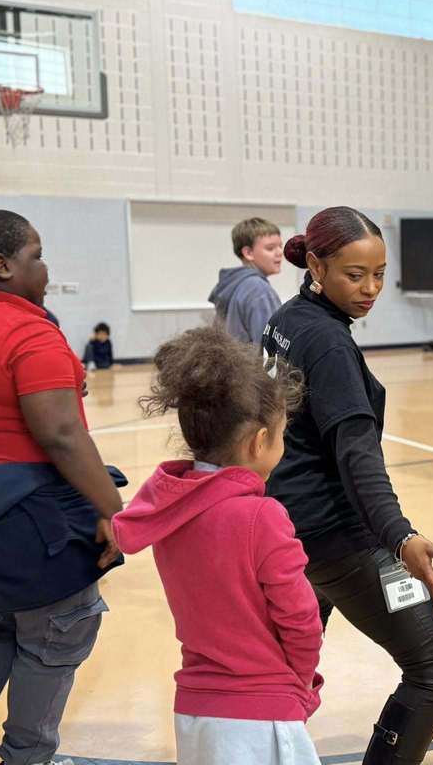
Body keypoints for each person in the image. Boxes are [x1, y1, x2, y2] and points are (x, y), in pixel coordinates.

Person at [262, 206, 433, 764]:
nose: (371, 288)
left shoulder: (286, 319)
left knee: (288, 668)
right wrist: (401, 537)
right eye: (356, 274)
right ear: (318, 266)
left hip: (290, 530)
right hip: (335, 538)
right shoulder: (327, 343)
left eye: (379, 274)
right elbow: (358, 458)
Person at [0, 208, 124, 765]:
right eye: (37, 254)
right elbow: (60, 435)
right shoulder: (30, 332)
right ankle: (29, 755)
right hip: (34, 523)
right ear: (3, 265)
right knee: (58, 637)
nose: (46, 266)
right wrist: (111, 506)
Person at [113, 326, 323, 765]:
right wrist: (300, 683)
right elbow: (302, 619)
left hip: (195, 712)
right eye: (282, 435)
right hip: (261, 716)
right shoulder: (261, 517)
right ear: (259, 442)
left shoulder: (169, 512)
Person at [210, 217, 284, 344]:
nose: (279, 253)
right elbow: (271, 348)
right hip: (251, 364)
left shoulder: (232, 284)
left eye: (280, 246)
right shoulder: (258, 289)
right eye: (270, 248)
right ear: (248, 252)